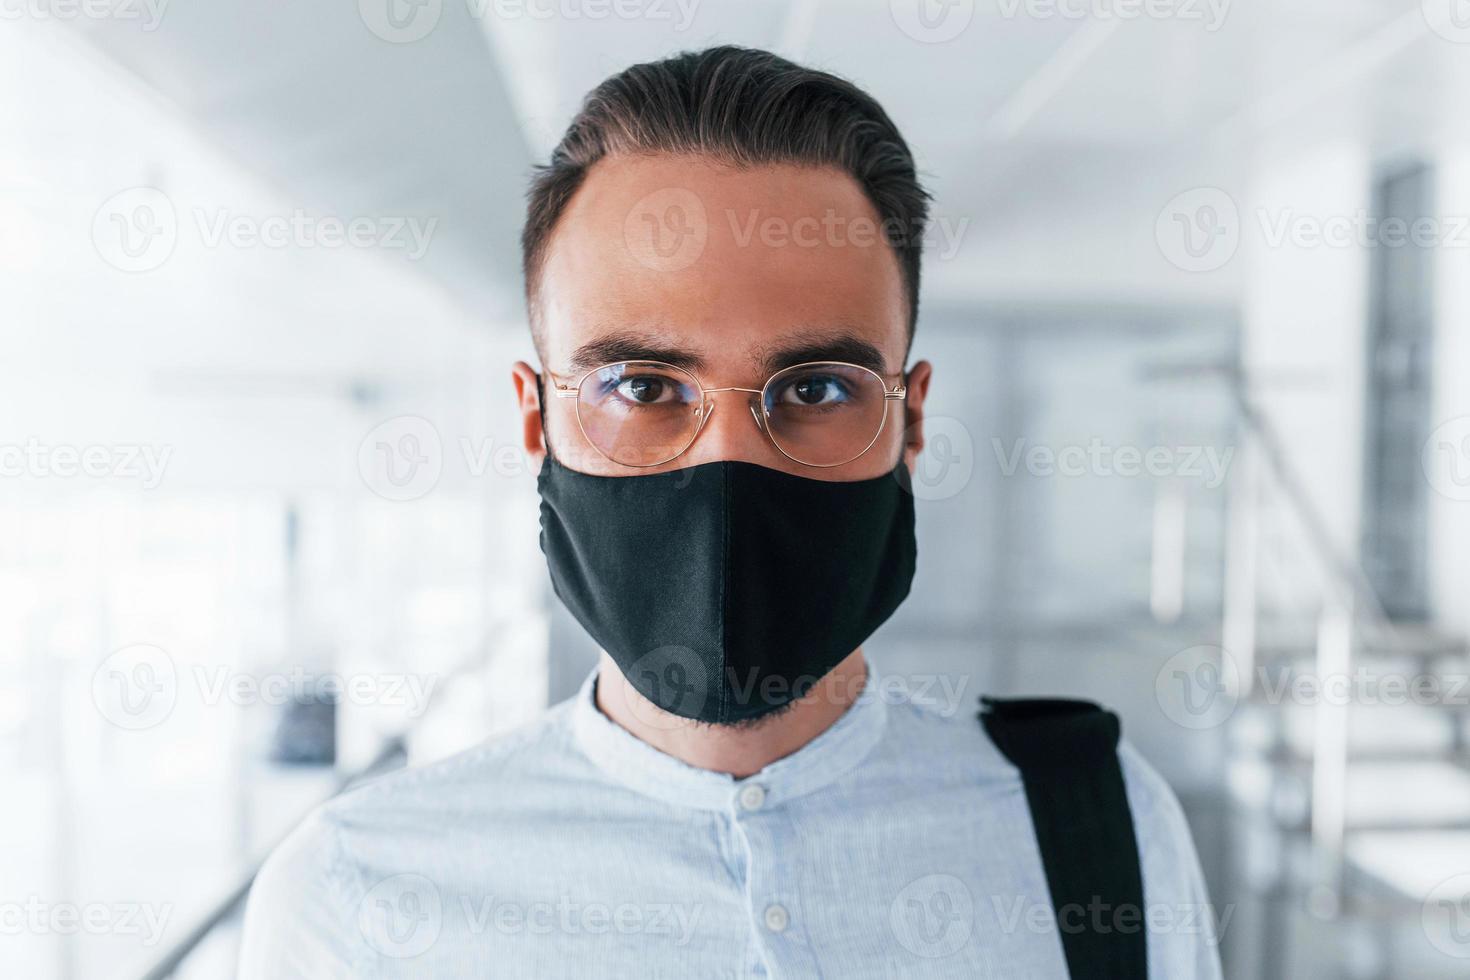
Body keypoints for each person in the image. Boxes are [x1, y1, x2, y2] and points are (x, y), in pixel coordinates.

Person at [240, 45, 1222, 978]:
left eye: (813, 390)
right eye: (639, 385)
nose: (725, 468)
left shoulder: (1095, 826)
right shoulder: (354, 896)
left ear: (911, 418)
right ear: (536, 420)